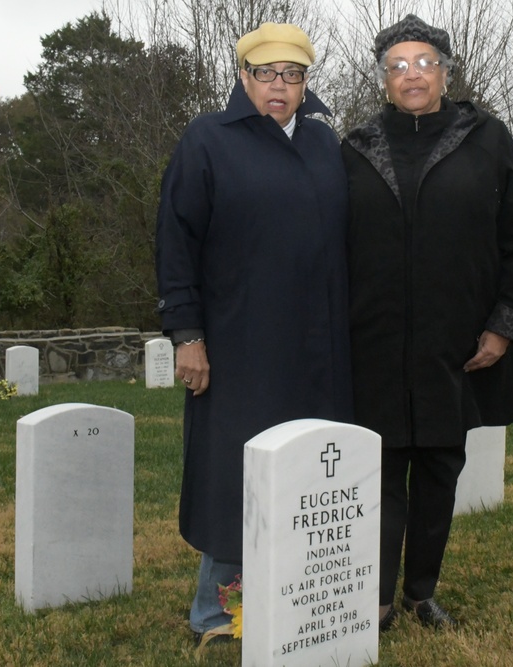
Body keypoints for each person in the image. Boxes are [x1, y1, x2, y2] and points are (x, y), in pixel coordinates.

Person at [341, 15, 513, 631]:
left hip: (455, 345)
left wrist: (504, 325)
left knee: (437, 471)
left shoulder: (486, 139)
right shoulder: (353, 148)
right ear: (383, 80)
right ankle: (375, 598)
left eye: (424, 62)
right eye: (398, 66)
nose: (412, 75)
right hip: (373, 343)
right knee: (378, 474)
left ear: (446, 71)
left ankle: (420, 590)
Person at [155, 22, 353, 643]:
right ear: (243, 76)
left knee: (305, 475)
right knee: (232, 478)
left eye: (292, 75)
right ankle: (217, 613)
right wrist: (187, 334)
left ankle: (295, 599)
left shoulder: (326, 146)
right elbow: (175, 243)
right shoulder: (208, 139)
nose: (279, 86)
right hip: (238, 346)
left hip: (318, 348)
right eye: (266, 73)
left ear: (305, 83)